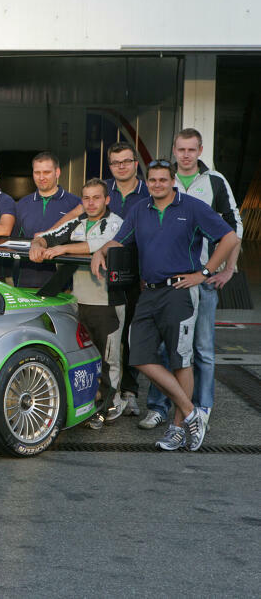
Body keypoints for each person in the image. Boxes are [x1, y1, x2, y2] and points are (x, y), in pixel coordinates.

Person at [91, 161, 238, 451]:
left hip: (180, 293)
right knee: (139, 355)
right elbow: (119, 241)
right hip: (149, 292)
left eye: (163, 179)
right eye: (153, 180)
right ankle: (192, 411)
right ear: (147, 183)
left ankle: (177, 428)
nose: (157, 184)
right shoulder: (139, 210)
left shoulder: (192, 207)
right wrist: (100, 250)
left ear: (173, 181)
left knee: (180, 359)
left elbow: (229, 237)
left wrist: (205, 272)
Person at [141, 128, 243, 430]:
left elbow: (233, 228)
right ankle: (158, 407)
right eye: (181, 149)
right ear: (174, 150)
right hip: (168, 281)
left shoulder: (215, 181)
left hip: (203, 280)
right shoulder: (163, 182)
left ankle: (201, 408)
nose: (185, 155)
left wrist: (227, 269)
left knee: (202, 349)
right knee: (161, 349)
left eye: (191, 150)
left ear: (200, 150)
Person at [53, 142, 151, 419]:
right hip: (94, 290)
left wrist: (61, 248)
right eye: (115, 162)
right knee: (94, 348)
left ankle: (124, 395)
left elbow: (107, 240)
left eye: (126, 161)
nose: (121, 166)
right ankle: (99, 396)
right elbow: (72, 220)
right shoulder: (100, 193)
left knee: (126, 343)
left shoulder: (148, 191)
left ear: (135, 163)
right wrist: (43, 238)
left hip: (134, 280)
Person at [30, 178, 125, 428]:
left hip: (108, 303)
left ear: (107, 200)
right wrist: (36, 246)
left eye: (96, 198)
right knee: (84, 357)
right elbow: (46, 237)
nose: (91, 203)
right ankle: (89, 404)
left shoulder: (116, 223)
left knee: (110, 357)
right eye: (86, 198)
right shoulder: (77, 222)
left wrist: (63, 249)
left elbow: (101, 245)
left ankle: (111, 403)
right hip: (78, 302)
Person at [12, 152, 81, 287]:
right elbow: (14, 242)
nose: (41, 177)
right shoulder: (22, 204)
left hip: (63, 284)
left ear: (57, 172)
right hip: (26, 282)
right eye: (37, 172)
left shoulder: (75, 204)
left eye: (47, 172)